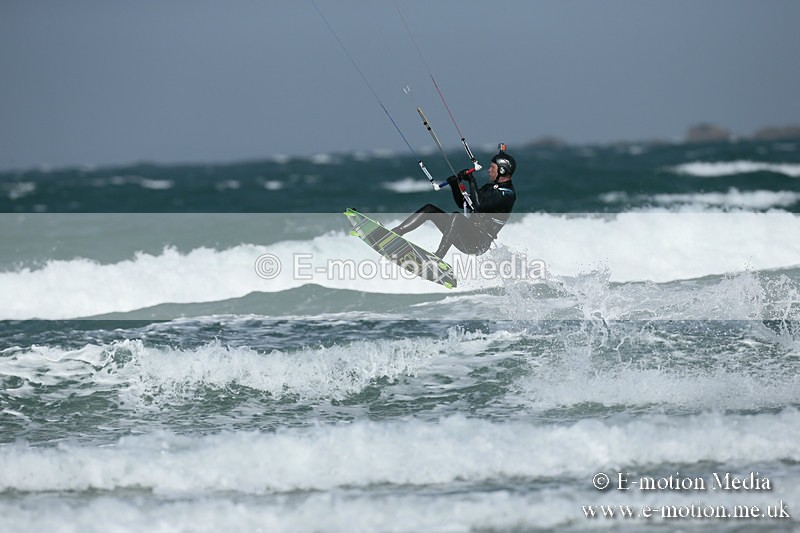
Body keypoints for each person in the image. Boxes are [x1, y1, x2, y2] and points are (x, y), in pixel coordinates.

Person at [391, 144, 517, 258]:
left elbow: (479, 206)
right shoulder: (491, 187)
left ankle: (438, 257)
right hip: (466, 234)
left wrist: (472, 180)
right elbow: (464, 204)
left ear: (502, 170)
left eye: (492, 167)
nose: (489, 170)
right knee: (430, 209)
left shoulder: (507, 194)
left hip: (479, 243)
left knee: (457, 217)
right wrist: (455, 186)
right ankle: (396, 233)